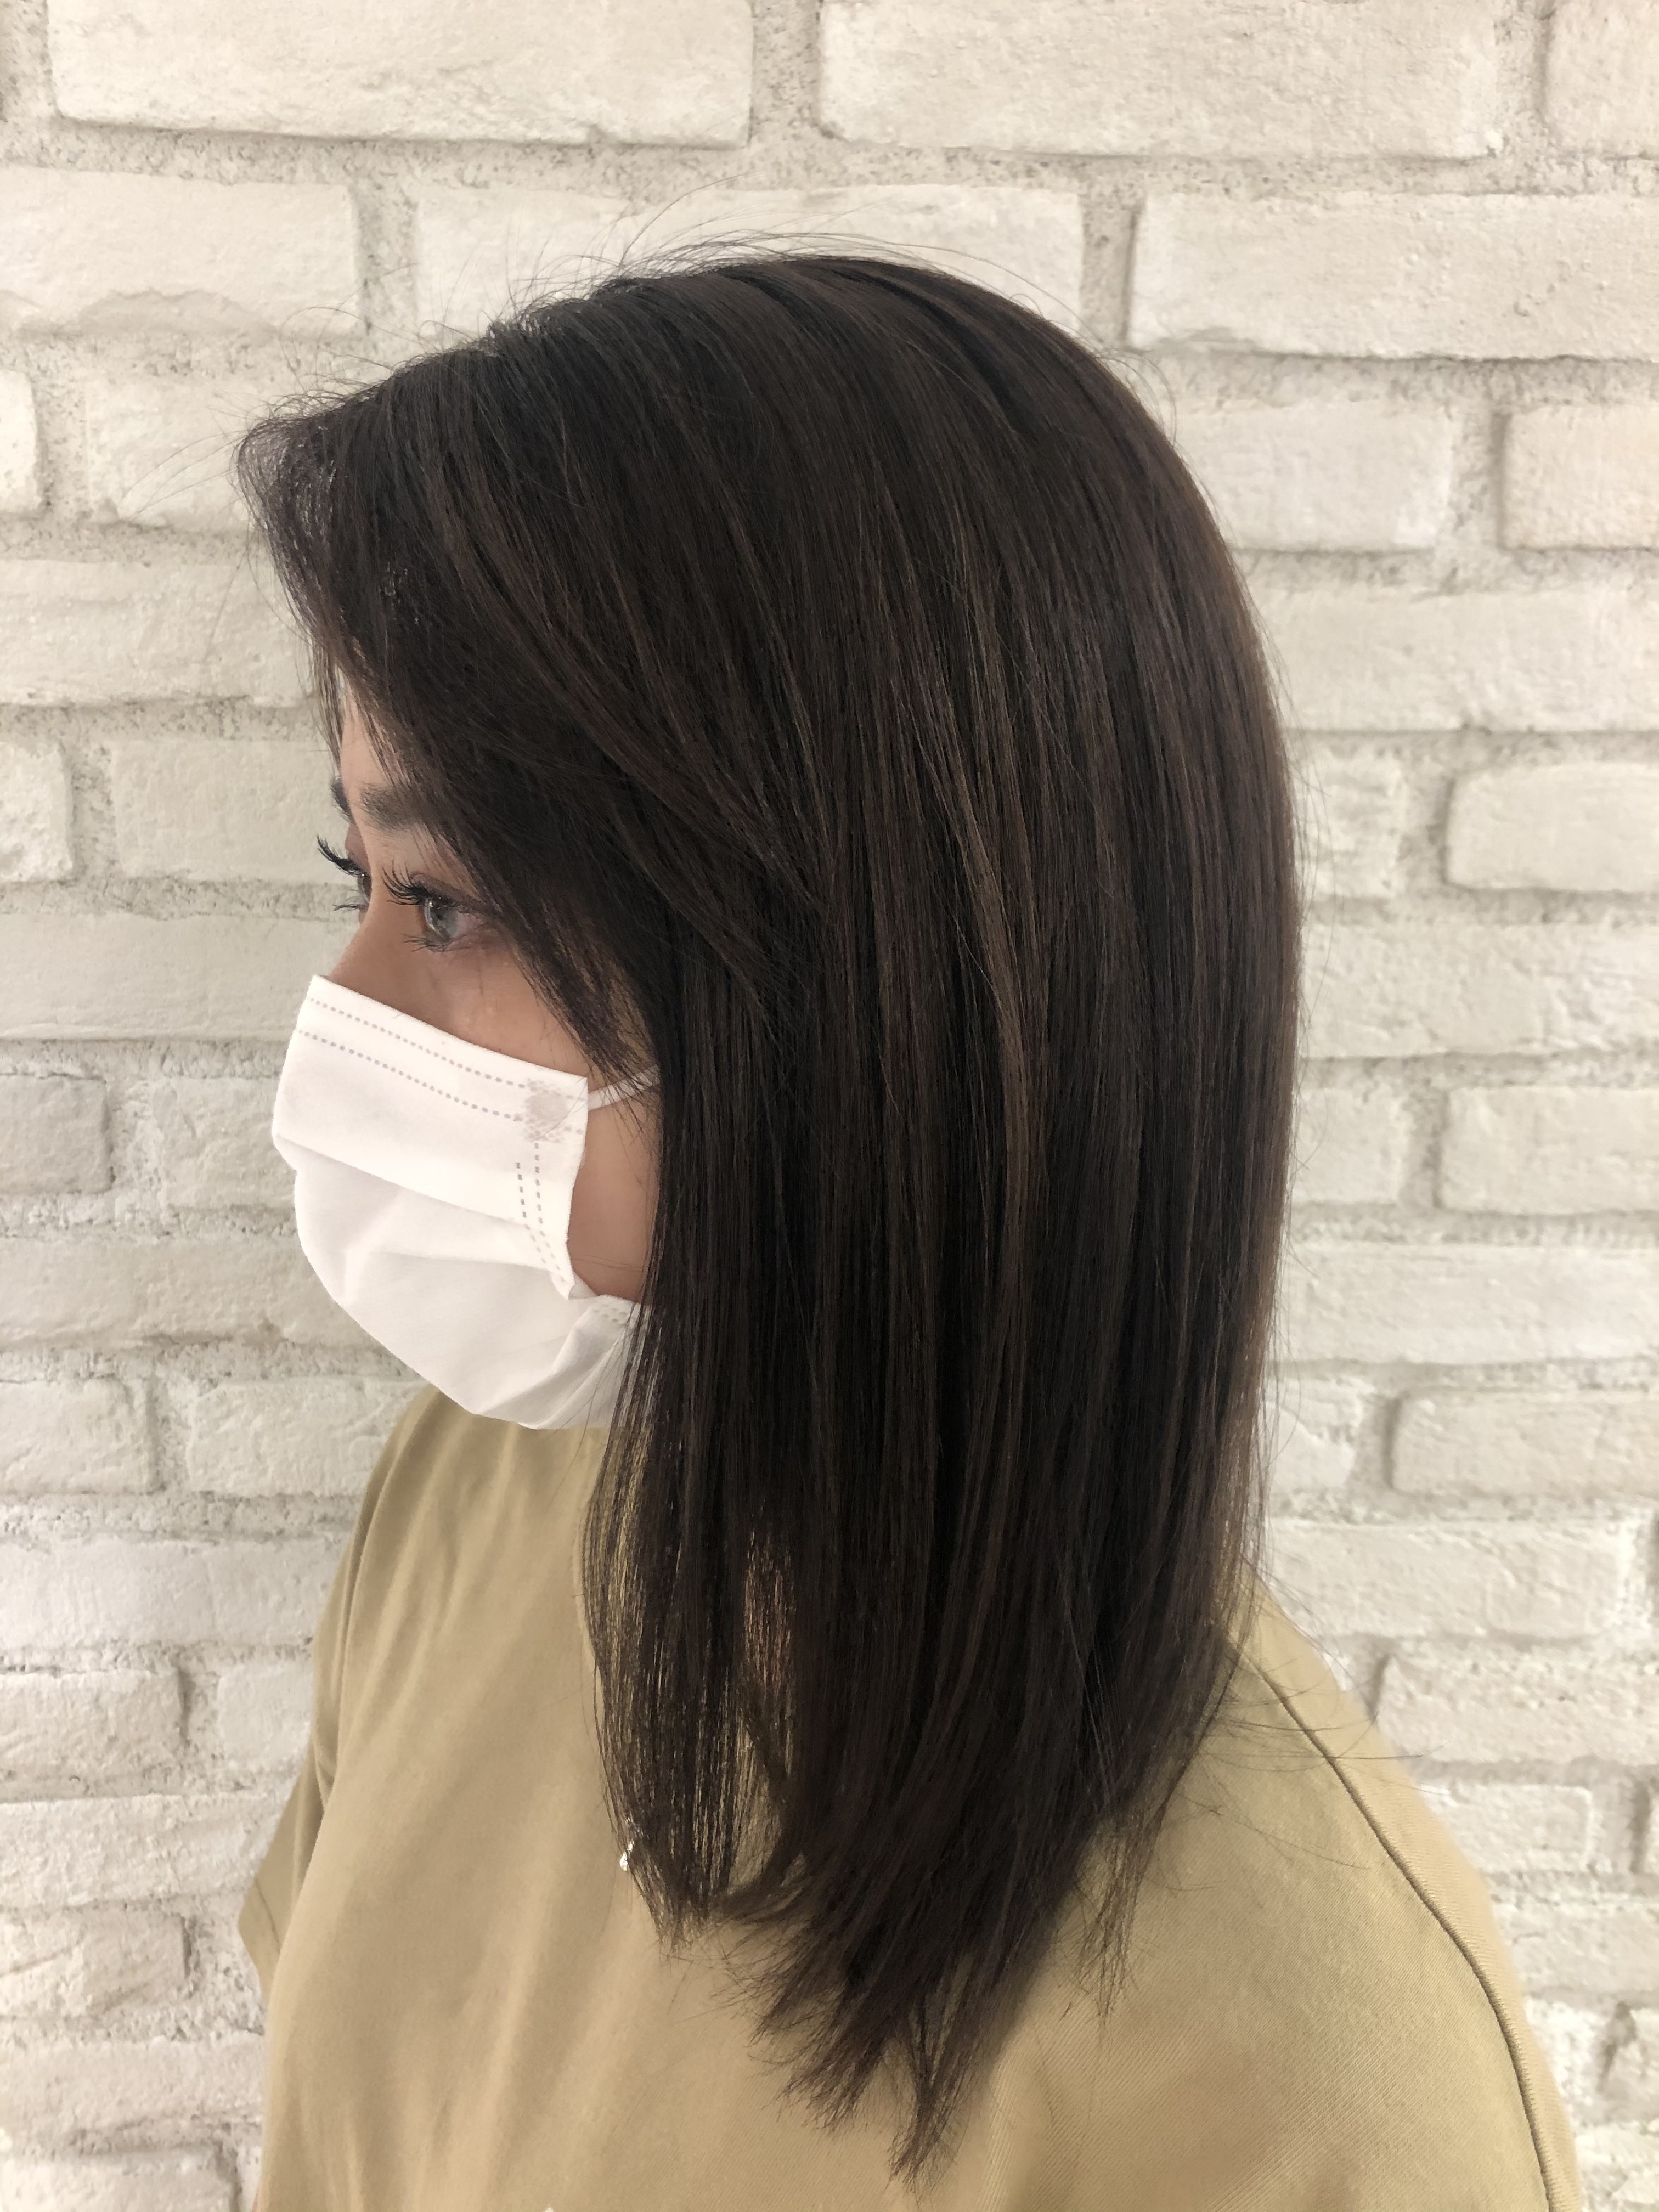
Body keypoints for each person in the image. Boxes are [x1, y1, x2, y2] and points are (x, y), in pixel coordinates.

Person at [234, 251, 1580, 2210]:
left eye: (443, 902)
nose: (343, 1006)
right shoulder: (477, 1482)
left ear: (860, 985)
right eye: (351, 869)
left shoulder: (1321, 2085)